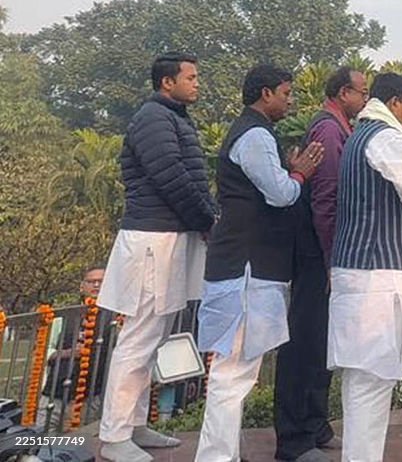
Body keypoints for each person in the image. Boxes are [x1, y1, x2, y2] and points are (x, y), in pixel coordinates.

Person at [194, 65, 324, 462]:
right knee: (232, 372)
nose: (290, 100)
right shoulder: (253, 134)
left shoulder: (255, 133)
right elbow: (281, 194)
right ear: (265, 94)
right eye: (286, 93)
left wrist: (289, 170)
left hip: (247, 266)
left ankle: (225, 453)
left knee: (238, 372)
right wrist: (300, 173)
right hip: (246, 268)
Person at [98, 53, 218, 462]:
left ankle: (132, 425)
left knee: (154, 334)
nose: (197, 83)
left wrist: (206, 218)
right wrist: (207, 219)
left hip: (169, 235)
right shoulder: (154, 118)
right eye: (191, 77)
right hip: (153, 237)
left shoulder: (174, 117)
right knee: (139, 336)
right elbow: (171, 177)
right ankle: (114, 437)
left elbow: (189, 176)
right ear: (168, 82)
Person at [327, 73, 402, 462]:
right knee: (372, 382)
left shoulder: (360, 134)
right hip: (380, 276)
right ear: (396, 101)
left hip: (362, 272)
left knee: (365, 382)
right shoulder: (387, 136)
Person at [274, 66, 367, 462]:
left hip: (324, 251)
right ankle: (293, 439)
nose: (365, 99)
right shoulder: (329, 131)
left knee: (322, 343)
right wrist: (331, 260)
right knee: (305, 342)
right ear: (344, 92)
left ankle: (314, 424)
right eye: (362, 92)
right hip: (317, 252)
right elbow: (326, 200)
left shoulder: (340, 128)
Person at [38, 267, 112, 428]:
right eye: (92, 281)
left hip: (91, 397)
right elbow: (43, 351)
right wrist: (68, 353)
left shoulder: (115, 319)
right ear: (82, 286)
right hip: (53, 394)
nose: (97, 285)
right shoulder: (63, 316)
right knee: (41, 443)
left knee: (80, 445)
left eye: (102, 282)